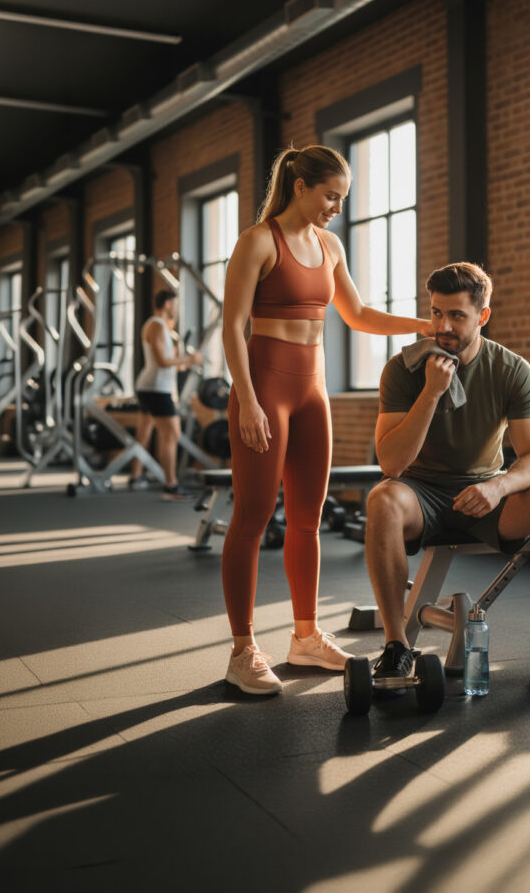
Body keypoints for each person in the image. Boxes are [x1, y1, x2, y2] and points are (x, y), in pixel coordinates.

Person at [221, 144, 432, 696]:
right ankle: (243, 650)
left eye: (343, 198)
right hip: (265, 387)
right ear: (300, 186)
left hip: (313, 392)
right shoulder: (258, 242)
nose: (336, 207)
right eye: (330, 195)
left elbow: (358, 316)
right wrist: (246, 400)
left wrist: (423, 326)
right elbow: (233, 328)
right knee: (251, 517)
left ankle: (305, 636)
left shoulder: (329, 245)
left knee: (309, 519)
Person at [364, 261, 530, 694]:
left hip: (485, 491)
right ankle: (397, 647)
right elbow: (392, 465)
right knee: (381, 499)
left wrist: (498, 487)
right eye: (437, 312)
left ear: (483, 316)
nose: (443, 326)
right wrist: (432, 392)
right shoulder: (403, 370)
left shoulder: (511, 369)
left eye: (457, 315)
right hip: (420, 493)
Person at [129, 290, 203, 500]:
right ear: (168, 304)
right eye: (176, 304)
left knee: (144, 434)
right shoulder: (157, 326)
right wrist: (188, 358)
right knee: (171, 434)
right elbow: (162, 362)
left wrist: (185, 362)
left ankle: (136, 475)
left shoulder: (159, 327)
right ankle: (171, 485)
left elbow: (168, 364)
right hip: (156, 389)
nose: (177, 309)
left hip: (150, 386)